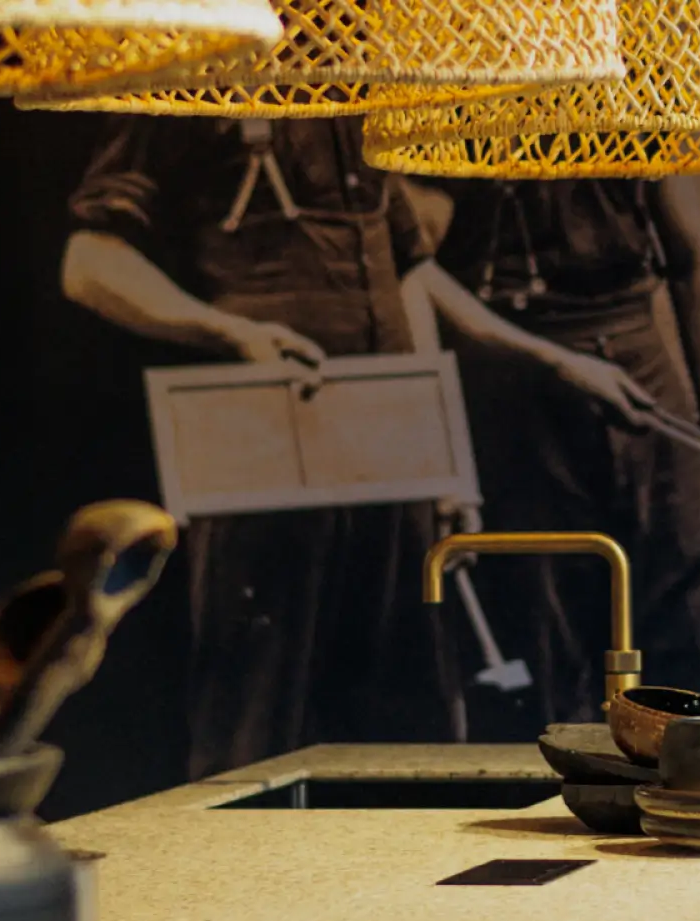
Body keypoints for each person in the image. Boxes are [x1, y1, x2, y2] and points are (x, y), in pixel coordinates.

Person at [62, 116, 653, 777]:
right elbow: (89, 265)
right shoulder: (197, 88)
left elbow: (409, 279)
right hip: (264, 445)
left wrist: (443, 463)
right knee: (260, 711)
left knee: (401, 708)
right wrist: (230, 332)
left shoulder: (359, 99)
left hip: (385, 447)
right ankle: (234, 871)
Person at [425, 178, 700, 729]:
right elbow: (416, 270)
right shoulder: (446, 125)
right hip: (514, 387)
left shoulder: (630, 113)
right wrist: (549, 359)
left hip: (639, 374)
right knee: (544, 622)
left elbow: (696, 265)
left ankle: (688, 792)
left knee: (684, 609)